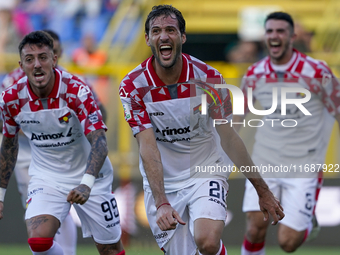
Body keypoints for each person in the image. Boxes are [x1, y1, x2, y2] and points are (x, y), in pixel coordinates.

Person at [119, 5, 284, 255]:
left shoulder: (208, 78)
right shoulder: (132, 86)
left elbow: (228, 137)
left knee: (206, 241)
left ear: (182, 37)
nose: (163, 36)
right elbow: (147, 144)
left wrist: (262, 191)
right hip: (164, 180)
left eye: (171, 30)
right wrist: (162, 201)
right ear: (147, 39)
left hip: (206, 168)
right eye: (156, 31)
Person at [0, 30, 124, 255]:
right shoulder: (10, 98)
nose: (37, 65)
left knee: (111, 250)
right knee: (38, 242)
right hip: (47, 176)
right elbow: (8, 145)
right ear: (21, 65)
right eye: (30, 59)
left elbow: (100, 142)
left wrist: (86, 183)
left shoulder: (77, 90)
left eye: (43, 57)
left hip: (90, 176)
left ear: (54, 59)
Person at [233, 12, 340, 254]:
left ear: (291, 36)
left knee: (287, 243)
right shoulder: (254, 74)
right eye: (270, 31)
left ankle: (306, 221)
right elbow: (236, 119)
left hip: (304, 164)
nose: (275, 36)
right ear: (264, 37)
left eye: (281, 31)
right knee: (254, 228)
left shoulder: (316, 72)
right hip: (265, 160)